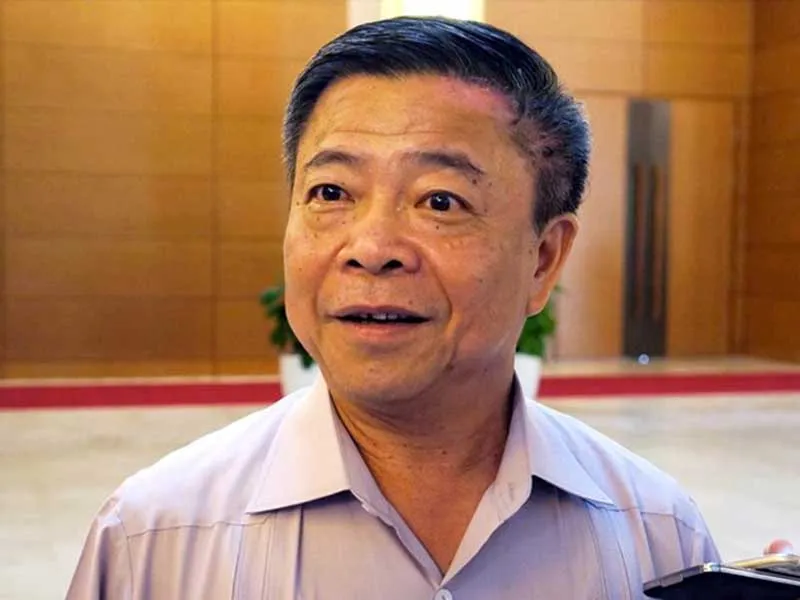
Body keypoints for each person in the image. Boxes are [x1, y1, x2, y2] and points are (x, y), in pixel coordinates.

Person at [67, 16, 792, 599]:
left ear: (543, 258)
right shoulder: (153, 539)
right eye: (330, 193)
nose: (371, 247)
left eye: (440, 201)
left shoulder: (655, 534)